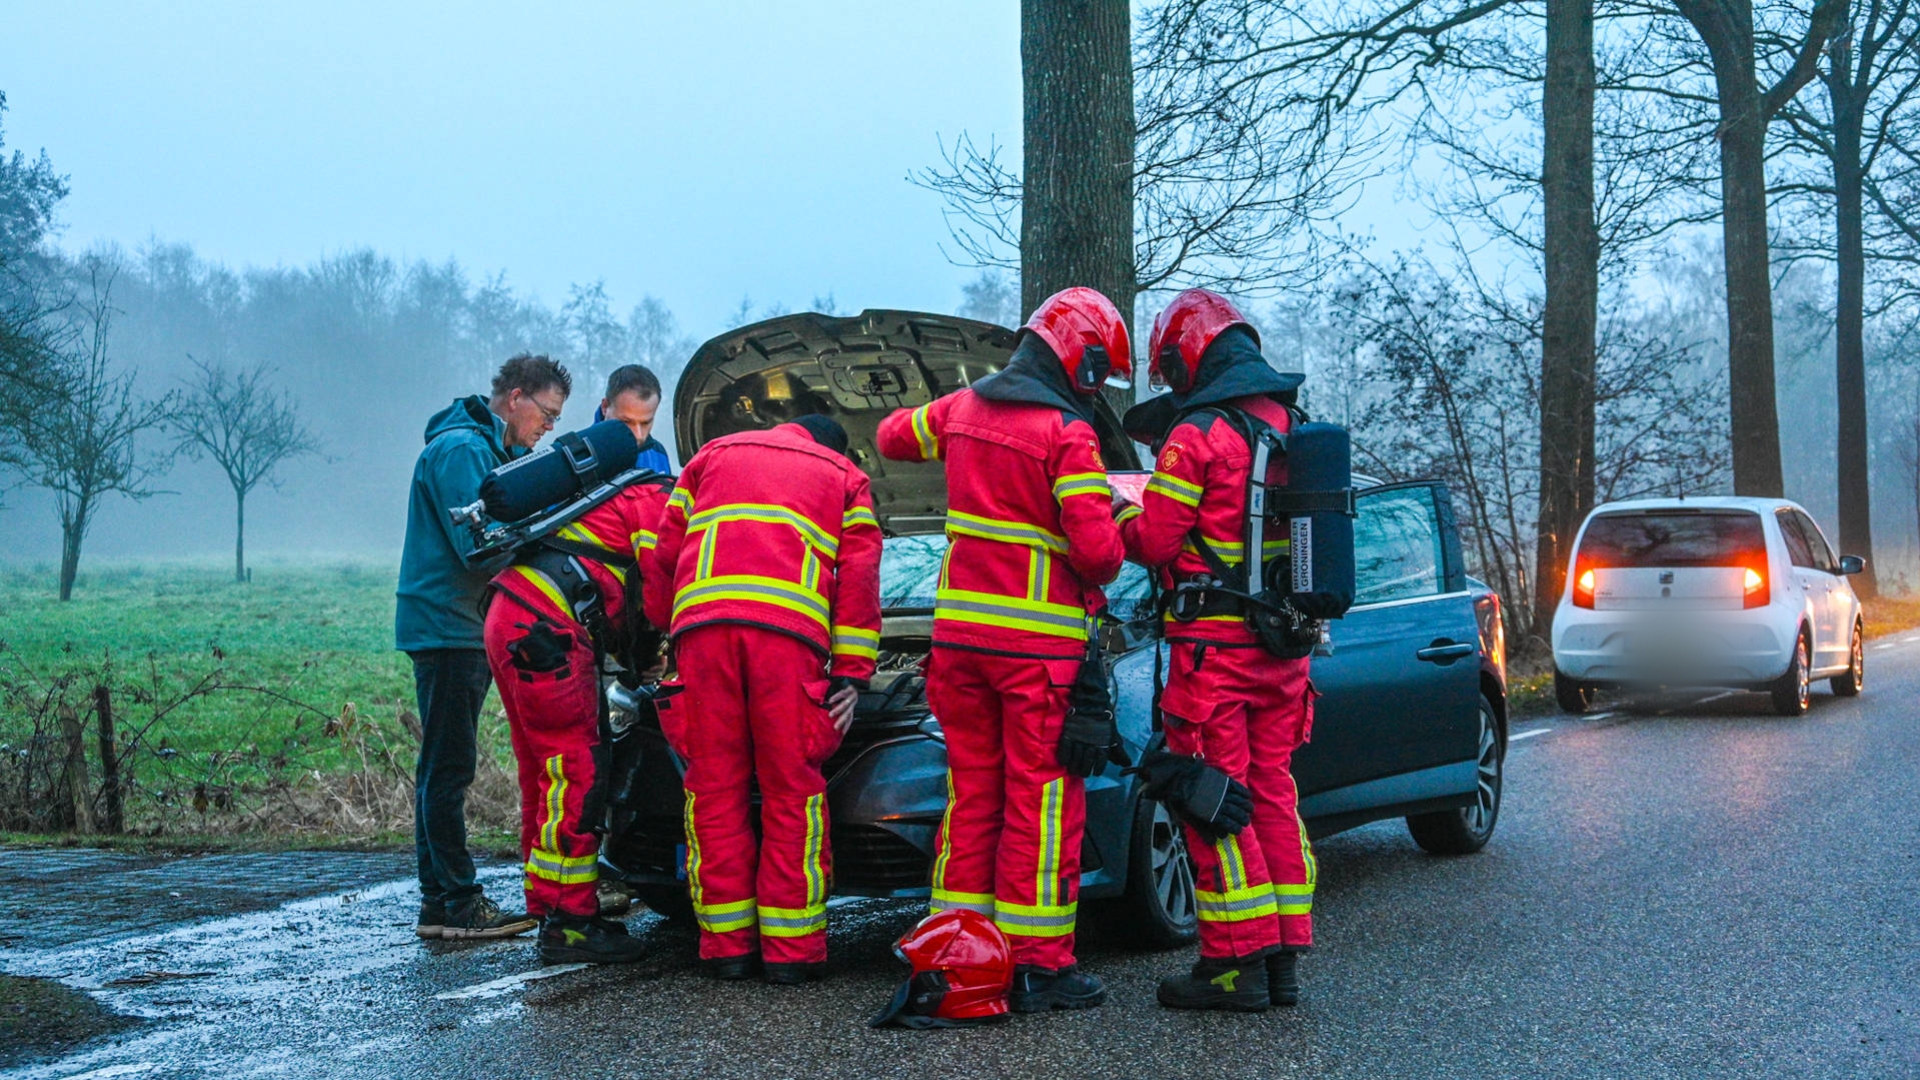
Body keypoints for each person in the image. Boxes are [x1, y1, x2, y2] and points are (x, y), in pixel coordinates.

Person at [874, 287, 1130, 1013]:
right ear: (1078, 361)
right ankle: (1039, 966)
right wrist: (1117, 510)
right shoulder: (1067, 436)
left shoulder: (962, 410)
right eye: (1097, 371)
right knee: (1041, 806)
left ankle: (964, 951)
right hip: (1035, 655)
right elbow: (1099, 556)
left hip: (958, 649)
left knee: (973, 797)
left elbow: (894, 436)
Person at [1117, 289, 1316, 1011]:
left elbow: (1157, 541)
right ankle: (1284, 961)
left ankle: (1233, 965)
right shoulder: (1289, 424)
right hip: (1283, 650)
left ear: (1187, 355)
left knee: (1213, 802)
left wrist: (1119, 512)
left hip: (1213, 654)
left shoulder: (1196, 434)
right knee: (1270, 796)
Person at [642, 413, 882, 984]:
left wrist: (665, 623)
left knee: (714, 786)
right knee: (790, 788)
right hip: (787, 640)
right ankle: (790, 954)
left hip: (701, 635)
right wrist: (850, 674)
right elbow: (859, 576)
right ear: (833, 446)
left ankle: (726, 949)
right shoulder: (844, 474)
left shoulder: (712, 456)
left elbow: (662, 550)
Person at [484, 400, 675, 964]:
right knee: (578, 768)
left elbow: (624, 599)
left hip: (510, 612)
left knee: (541, 769)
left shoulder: (604, 497)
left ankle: (548, 902)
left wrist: (640, 657)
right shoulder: (656, 501)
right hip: (548, 627)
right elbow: (659, 593)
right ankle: (571, 923)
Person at [396, 353, 569, 940]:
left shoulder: (487, 452)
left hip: (458, 623)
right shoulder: (463, 452)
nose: (548, 427)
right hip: (449, 626)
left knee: (439, 768)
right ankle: (461, 903)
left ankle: (439, 905)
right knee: (449, 770)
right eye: (545, 414)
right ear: (515, 397)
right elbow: (479, 544)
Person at [595, 364, 673, 473]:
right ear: (605, 407)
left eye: (646, 423)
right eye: (626, 422)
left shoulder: (659, 454)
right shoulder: (577, 456)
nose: (638, 436)